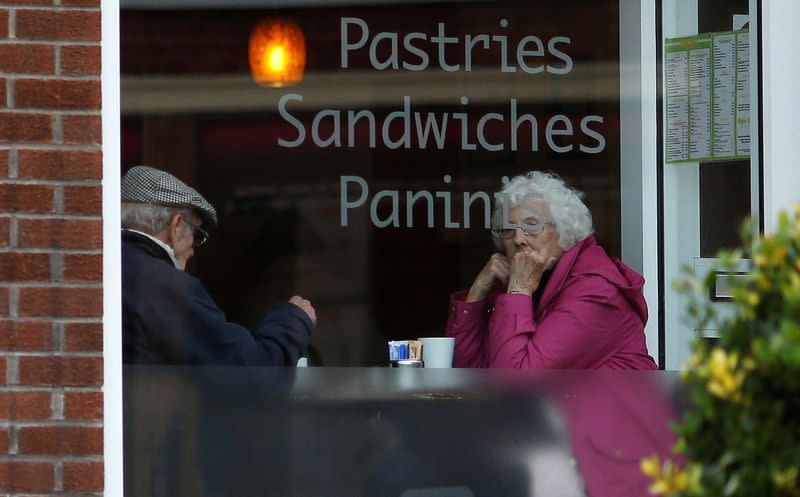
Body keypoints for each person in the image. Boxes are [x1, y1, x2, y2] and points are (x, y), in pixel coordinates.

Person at [445, 171, 657, 369]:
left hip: (610, 409)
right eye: (508, 229)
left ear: (564, 232)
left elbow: (515, 383)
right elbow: (468, 374)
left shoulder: (596, 290)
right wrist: (477, 293)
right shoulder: (523, 282)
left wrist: (519, 290)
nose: (518, 239)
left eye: (532, 225)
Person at [121, 165, 316, 365]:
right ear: (177, 227)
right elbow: (251, 374)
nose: (193, 250)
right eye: (198, 235)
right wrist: (294, 322)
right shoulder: (166, 288)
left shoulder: (106, 272)